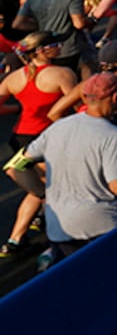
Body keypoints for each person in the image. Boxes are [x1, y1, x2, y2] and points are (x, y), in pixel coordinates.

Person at [15, 73, 117, 265]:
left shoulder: (58, 127)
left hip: (59, 227)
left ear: (84, 97)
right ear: (114, 98)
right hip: (102, 224)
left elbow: (16, 167)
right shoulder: (114, 135)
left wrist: (43, 194)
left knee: (75, 283)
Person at [0, 33, 77, 257]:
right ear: (42, 50)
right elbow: (74, 106)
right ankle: (56, 238)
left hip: (19, 138)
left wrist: (19, 109)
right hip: (46, 138)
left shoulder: (14, 78)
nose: (60, 47)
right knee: (51, 189)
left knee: (38, 190)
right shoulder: (62, 74)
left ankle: (16, 240)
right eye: (55, 44)